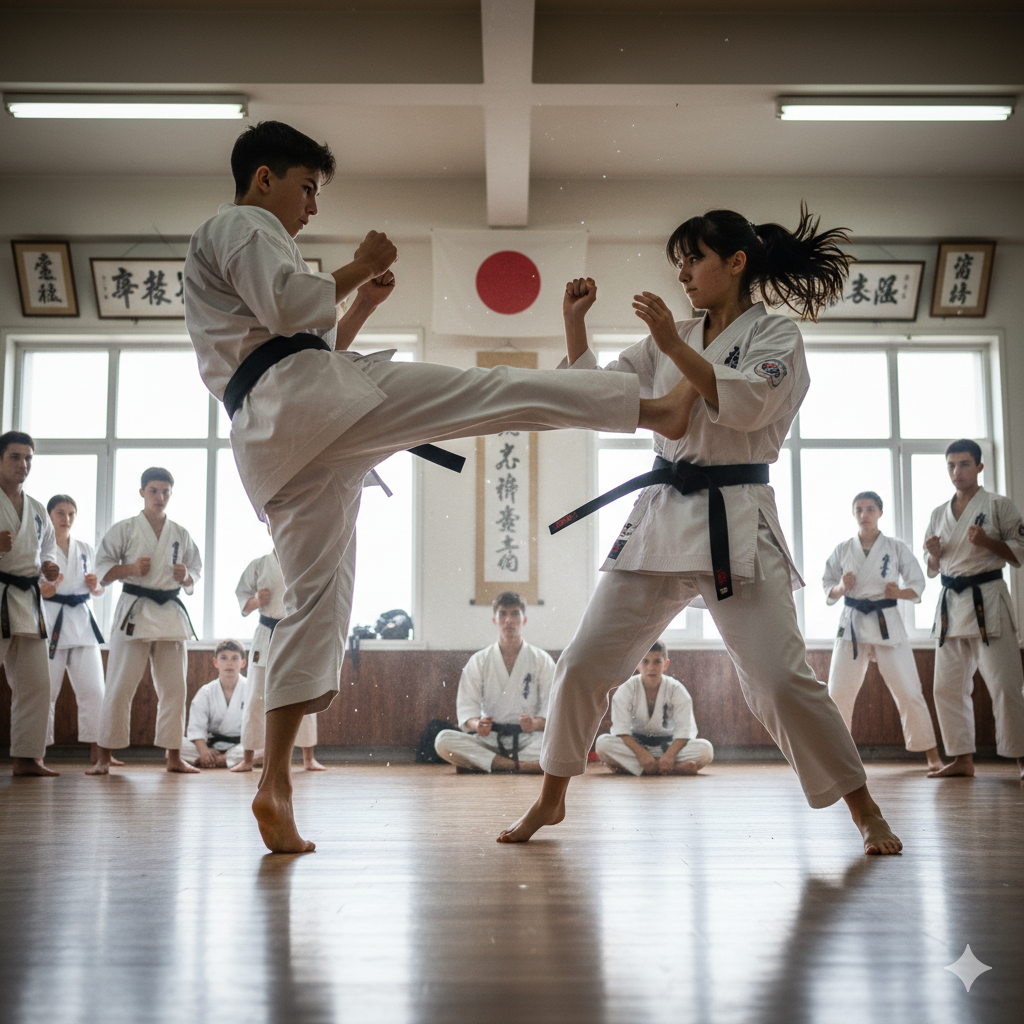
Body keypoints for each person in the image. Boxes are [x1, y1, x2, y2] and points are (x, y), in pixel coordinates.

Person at [183, 121, 696, 852]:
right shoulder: (242, 224)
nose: (312, 206)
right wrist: (360, 264)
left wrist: (361, 302)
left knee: (312, 607)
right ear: (264, 177)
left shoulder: (233, 250)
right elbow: (296, 310)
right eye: (307, 188)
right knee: (491, 391)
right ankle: (649, 410)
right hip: (310, 404)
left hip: (277, 440)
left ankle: (275, 783)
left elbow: (301, 337)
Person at [498, 205, 903, 855]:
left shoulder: (774, 336)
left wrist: (673, 346)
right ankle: (551, 797)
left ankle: (864, 809)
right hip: (662, 515)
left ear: (736, 262)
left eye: (695, 259)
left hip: (734, 517)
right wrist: (575, 326)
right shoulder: (674, 335)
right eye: (679, 262)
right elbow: (601, 396)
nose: (683, 273)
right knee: (582, 663)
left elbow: (749, 404)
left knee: (781, 680)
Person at [87, 467, 203, 775]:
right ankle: (104, 755)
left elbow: (195, 572)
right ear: (142, 492)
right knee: (119, 685)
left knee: (175, 689)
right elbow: (102, 569)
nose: (159, 497)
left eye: (165, 492)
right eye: (153, 491)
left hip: (170, 613)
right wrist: (131, 569)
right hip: (135, 609)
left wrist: (186, 576)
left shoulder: (180, 533)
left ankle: (174, 756)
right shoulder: (125, 529)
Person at [922, 439, 1024, 780]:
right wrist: (933, 554)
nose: (957, 471)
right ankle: (962, 759)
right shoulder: (938, 513)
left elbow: (1020, 551)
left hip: (988, 601)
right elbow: (932, 569)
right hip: (951, 607)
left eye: (964, 464)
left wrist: (987, 542)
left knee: (1005, 685)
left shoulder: (998, 505)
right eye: (951, 465)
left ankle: (1021, 758)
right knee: (946, 687)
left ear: (979, 466)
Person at [823, 491, 942, 771]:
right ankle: (836, 758)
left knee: (909, 690)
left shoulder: (896, 547)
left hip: (886, 622)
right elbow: (828, 587)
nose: (864, 514)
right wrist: (841, 586)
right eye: (859, 509)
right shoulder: (843, 549)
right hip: (852, 625)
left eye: (870, 509)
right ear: (853, 514)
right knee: (838, 692)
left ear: (880, 512)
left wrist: (899, 592)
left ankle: (932, 755)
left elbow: (917, 583)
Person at [434, 591, 553, 773]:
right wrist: (478, 725)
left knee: (562, 742)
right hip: (490, 738)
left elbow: (551, 709)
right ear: (494, 620)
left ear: (524, 619)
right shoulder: (479, 660)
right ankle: (519, 766)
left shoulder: (541, 660)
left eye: (515, 613)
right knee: (443, 740)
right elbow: (467, 710)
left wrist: (534, 724)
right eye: (502, 614)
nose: (508, 620)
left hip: (529, 738)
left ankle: (486, 763)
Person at [231, 543, 324, 773]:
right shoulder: (259, 565)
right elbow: (242, 597)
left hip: (296, 633)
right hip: (266, 633)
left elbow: (317, 597)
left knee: (303, 693)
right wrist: (256, 601)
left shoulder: (304, 563)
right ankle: (248, 759)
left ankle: (308, 758)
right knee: (256, 696)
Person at [0, 431, 61, 776]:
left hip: (28, 599)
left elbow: (48, 549)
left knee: (37, 683)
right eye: (15, 456)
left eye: (28, 458)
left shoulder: (37, 509)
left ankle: (27, 758)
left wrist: (49, 566)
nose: (23, 464)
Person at [40, 494, 117, 766]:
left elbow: (99, 590)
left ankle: (99, 752)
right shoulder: (42, 550)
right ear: (49, 516)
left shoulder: (85, 548)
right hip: (53, 623)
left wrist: (96, 586)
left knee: (95, 691)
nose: (66, 518)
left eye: (71, 513)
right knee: (46, 692)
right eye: (60, 513)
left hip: (83, 624)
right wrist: (48, 590)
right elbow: (39, 590)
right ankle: (36, 755)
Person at [594, 640, 713, 775]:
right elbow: (621, 731)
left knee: (705, 749)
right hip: (635, 746)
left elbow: (684, 730)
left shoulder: (676, 689)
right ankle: (674, 769)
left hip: (668, 746)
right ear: (638, 664)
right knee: (602, 744)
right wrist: (642, 755)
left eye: (657, 662)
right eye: (645, 662)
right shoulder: (627, 688)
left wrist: (669, 756)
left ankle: (637, 769)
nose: (651, 667)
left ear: (665, 664)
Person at [181, 640, 248, 768]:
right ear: (215, 662)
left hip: (242, 745)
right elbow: (196, 728)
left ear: (243, 663)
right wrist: (204, 750)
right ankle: (223, 759)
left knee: (266, 745)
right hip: (212, 745)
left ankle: (220, 760)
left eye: (234, 658)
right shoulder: (206, 692)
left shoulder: (251, 689)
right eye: (223, 658)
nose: (229, 663)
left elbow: (258, 728)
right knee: (175, 746)